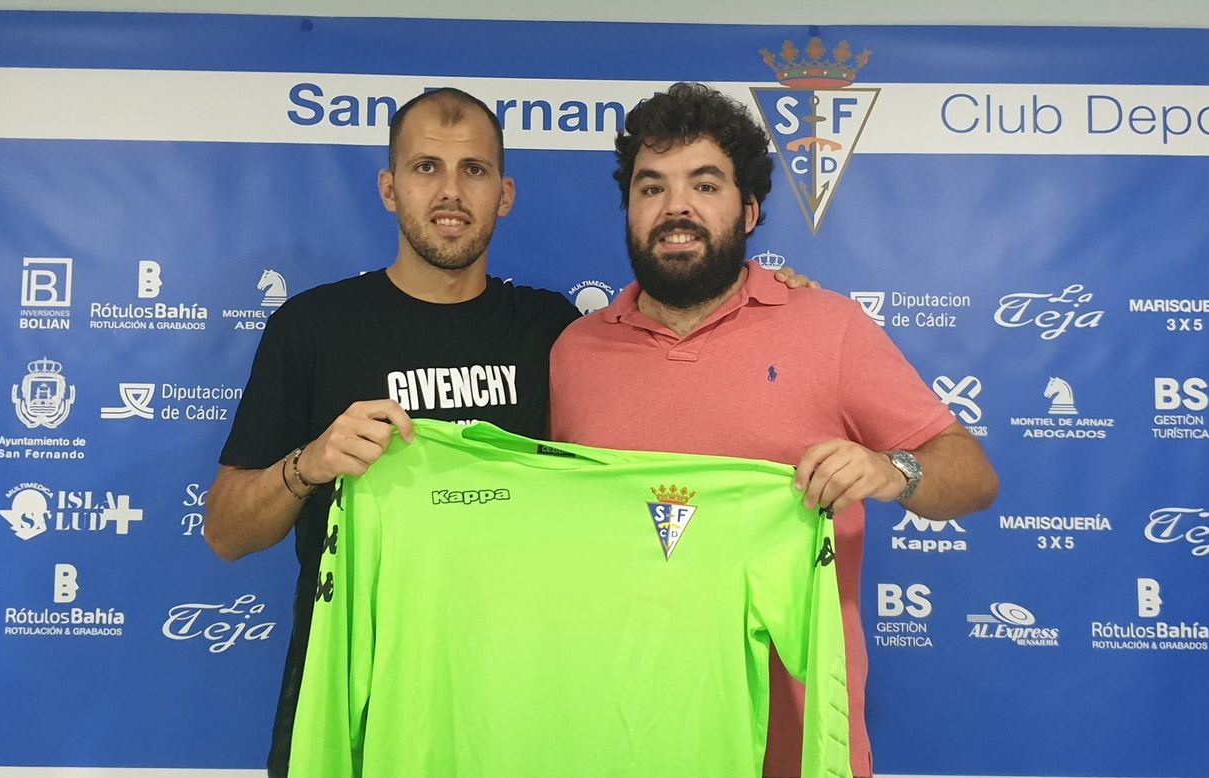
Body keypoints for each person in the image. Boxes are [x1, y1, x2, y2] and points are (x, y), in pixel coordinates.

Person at [206, 86, 814, 777]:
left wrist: (761, 301)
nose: (450, 192)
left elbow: (674, 354)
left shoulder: (556, 332)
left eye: (474, 171)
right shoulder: (311, 328)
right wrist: (307, 466)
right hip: (361, 687)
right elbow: (227, 533)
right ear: (388, 187)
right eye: (425, 168)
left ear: (506, 193)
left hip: (520, 704)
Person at [549, 82, 999, 778]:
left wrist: (894, 470)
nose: (676, 208)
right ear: (629, 211)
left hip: (795, 746)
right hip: (617, 736)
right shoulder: (573, 352)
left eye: (704, 184)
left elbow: (973, 476)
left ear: (750, 209)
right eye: (651, 187)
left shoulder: (830, 327)